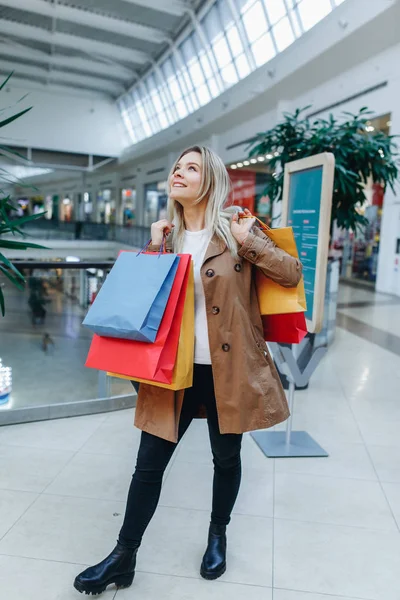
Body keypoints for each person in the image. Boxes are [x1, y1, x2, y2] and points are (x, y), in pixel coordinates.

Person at [74, 146, 302, 595]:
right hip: (171, 373)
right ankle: (123, 556)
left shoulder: (239, 227)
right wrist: (155, 246)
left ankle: (217, 534)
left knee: (226, 458)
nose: (178, 173)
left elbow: (292, 273)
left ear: (210, 180)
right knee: (147, 468)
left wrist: (250, 241)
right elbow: (145, 301)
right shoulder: (167, 237)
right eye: (176, 167)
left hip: (228, 370)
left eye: (190, 168)